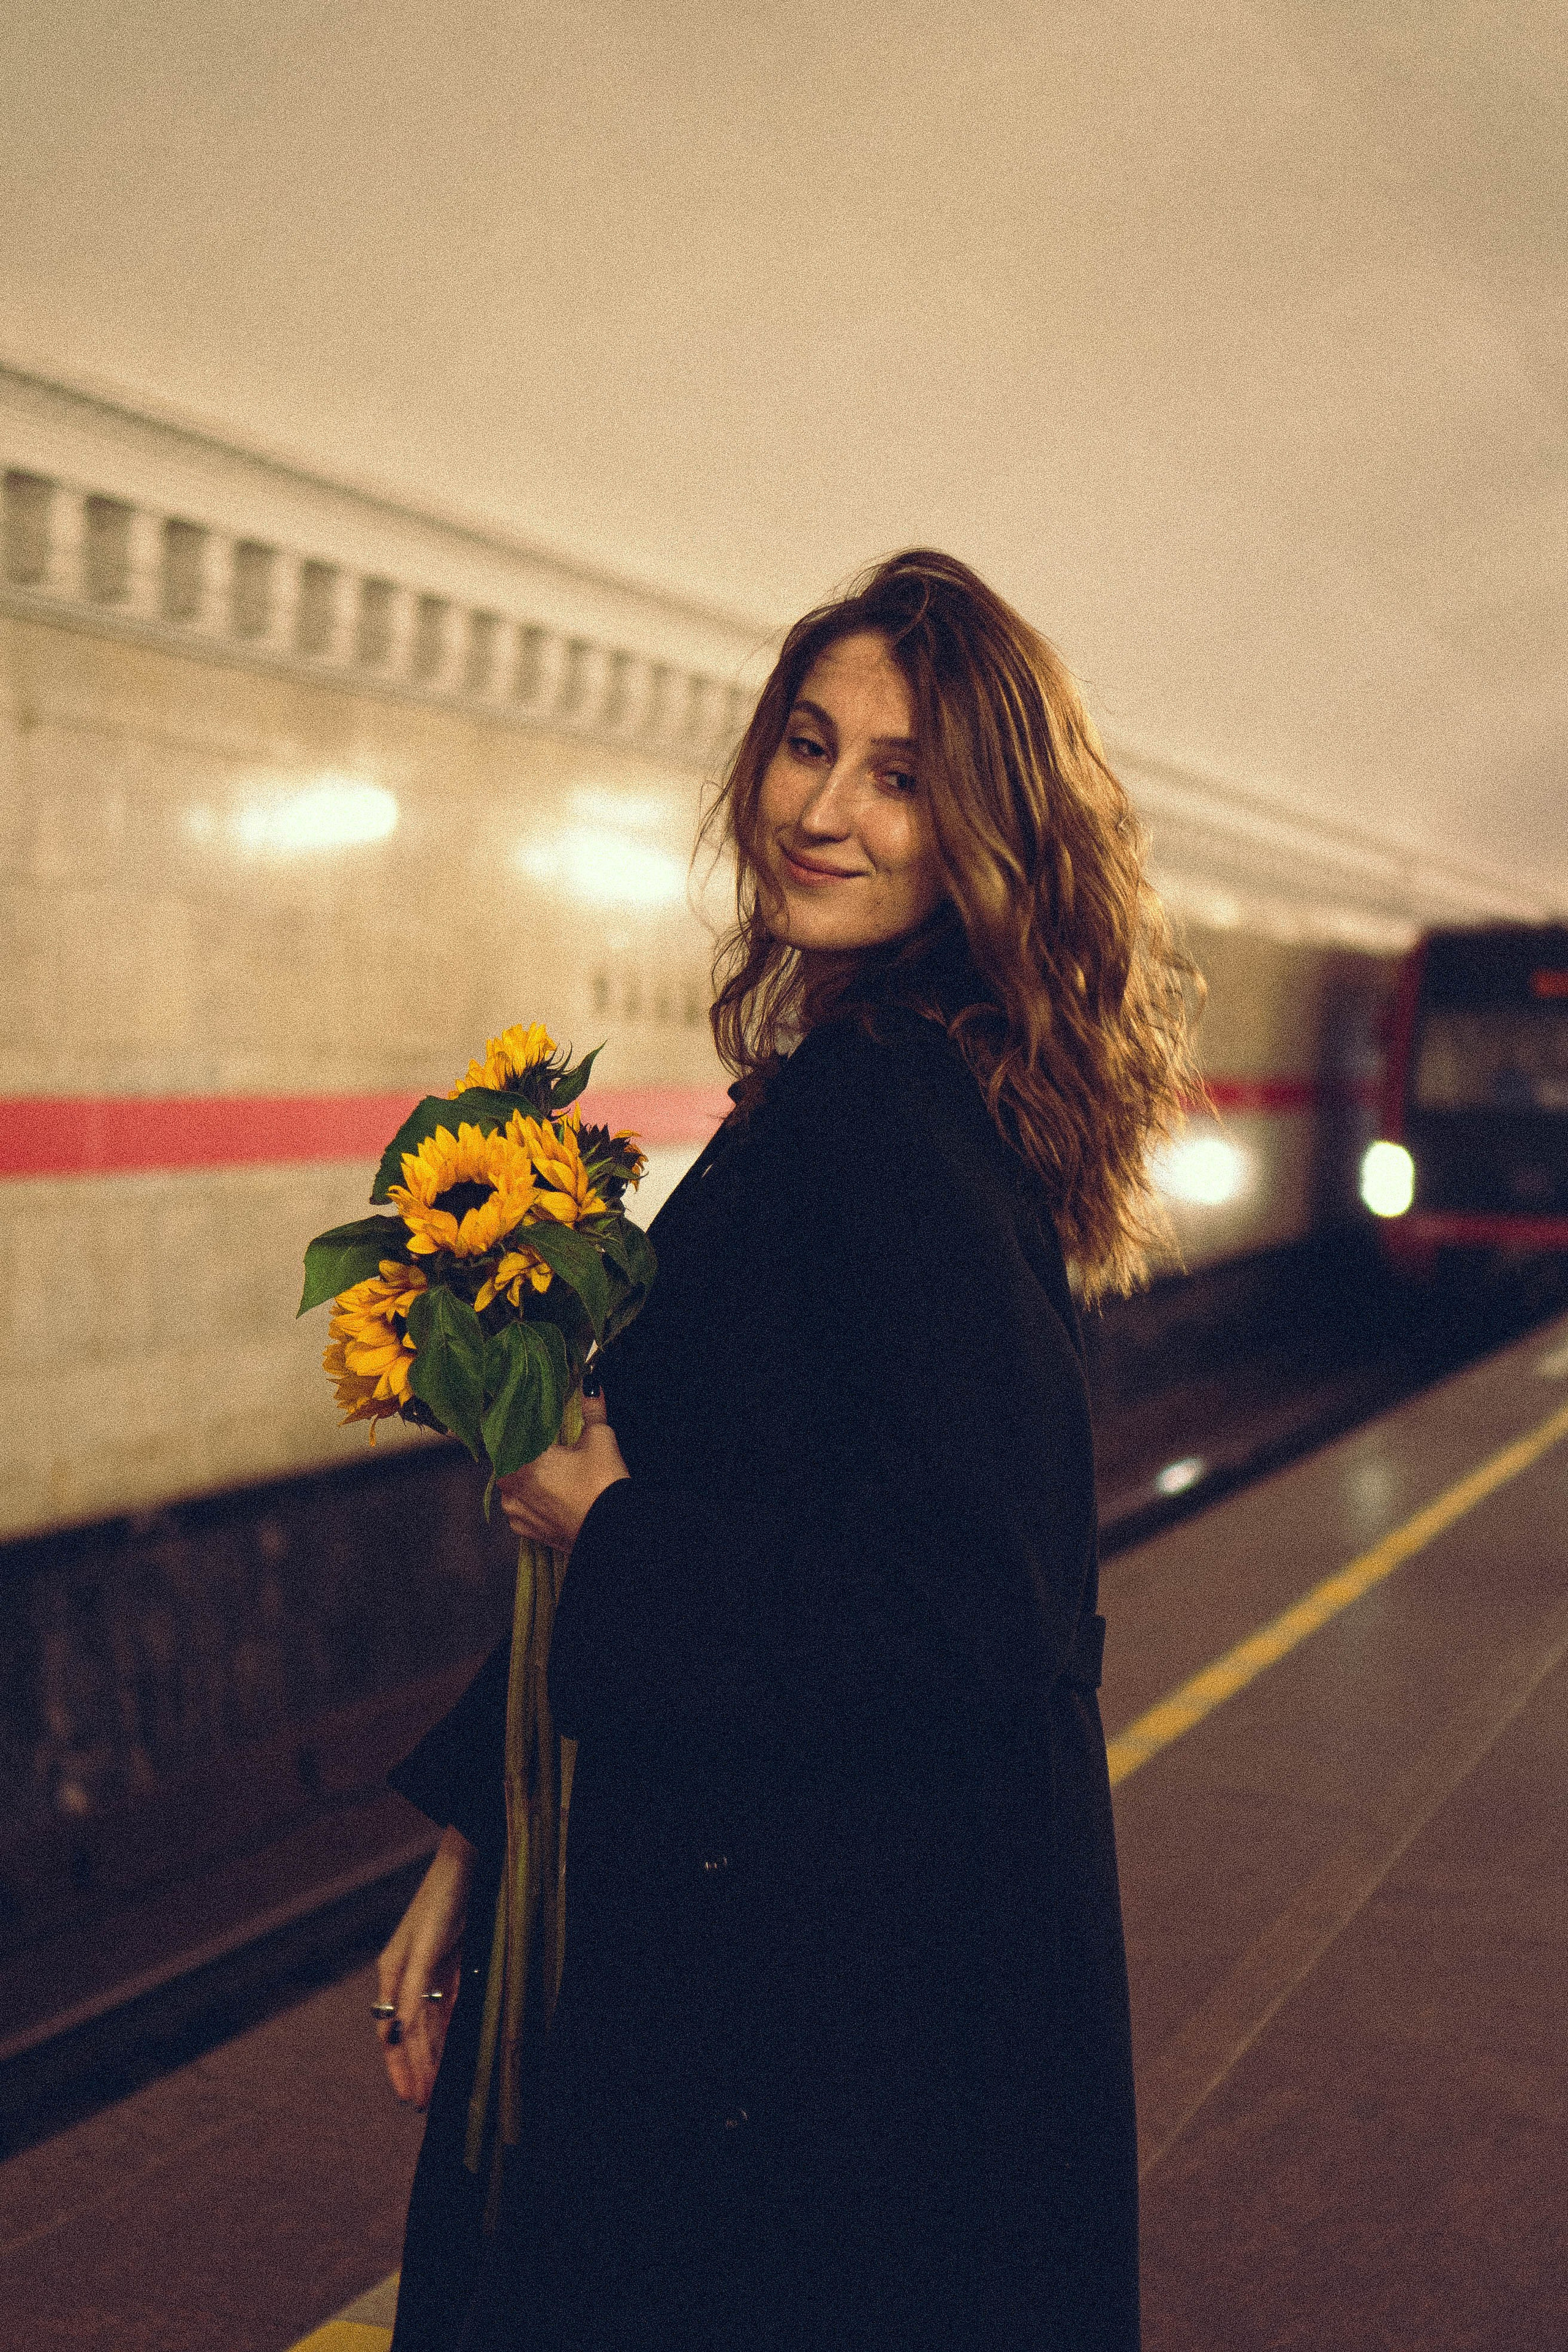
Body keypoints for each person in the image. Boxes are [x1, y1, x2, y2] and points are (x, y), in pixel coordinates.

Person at [373, 550, 1199, 2352]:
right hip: (810, 1964)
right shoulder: (873, 1082)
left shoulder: (889, 1120)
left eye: (901, 776)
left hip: (820, 2021)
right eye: (807, 747)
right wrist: (487, 1832)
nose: (825, 812)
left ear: (986, 829)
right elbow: (767, 1491)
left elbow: (983, 1610)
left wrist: (606, 1525)